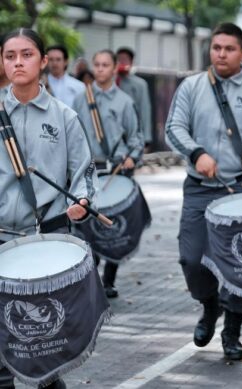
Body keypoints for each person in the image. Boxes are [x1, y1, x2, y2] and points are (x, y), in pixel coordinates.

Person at [165, 22, 242, 361]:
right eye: (216, 47)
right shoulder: (191, 87)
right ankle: (209, 306)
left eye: (229, 49)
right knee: (192, 258)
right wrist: (196, 153)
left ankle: (232, 330)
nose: (221, 54)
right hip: (201, 188)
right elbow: (173, 128)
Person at [0, 27, 96, 389]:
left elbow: (84, 170)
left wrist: (82, 201)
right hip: (2, 236)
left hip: (47, 238)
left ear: (42, 61)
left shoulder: (64, 116)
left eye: (26, 54)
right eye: (10, 56)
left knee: (41, 338)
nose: (18, 62)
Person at [72, 49, 144, 299]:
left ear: (115, 69)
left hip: (116, 168)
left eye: (106, 65)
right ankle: (91, 276)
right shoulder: (81, 100)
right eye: (97, 64)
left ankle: (109, 279)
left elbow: (136, 138)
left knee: (112, 224)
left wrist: (131, 158)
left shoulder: (125, 101)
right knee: (87, 225)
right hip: (90, 169)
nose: (101, 69)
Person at [116, 47, 153, 146]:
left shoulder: (140, 84)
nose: (121, 62)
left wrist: (146, 138)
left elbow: (144, 110)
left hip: (132, 134)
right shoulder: (110, 82)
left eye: (125, 59)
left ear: (131, 62)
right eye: (119, 59)